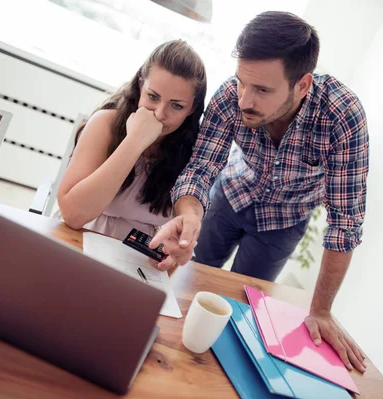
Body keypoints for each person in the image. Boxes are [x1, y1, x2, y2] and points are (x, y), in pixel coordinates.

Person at [150, 12, 369, 373]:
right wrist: (189, 213)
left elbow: (345, 223)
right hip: (229, 197)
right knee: (192, 282)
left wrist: (321, 310)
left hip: (283, 223)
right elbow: (201, 168)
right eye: (242, 83)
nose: (244, 100)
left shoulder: (342, 116)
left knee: (239, 309)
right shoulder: (231, 96)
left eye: (263, 90)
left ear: (302, 85)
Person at [55, 40, 207, 241]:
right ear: (140, 85)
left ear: (192, 109)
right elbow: (73, 215)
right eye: (153, 97)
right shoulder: (105, 123)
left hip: (139, 258)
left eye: (177, 106)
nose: (160, 114)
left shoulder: (194, 148)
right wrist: (134, 142)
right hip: (80, 241)